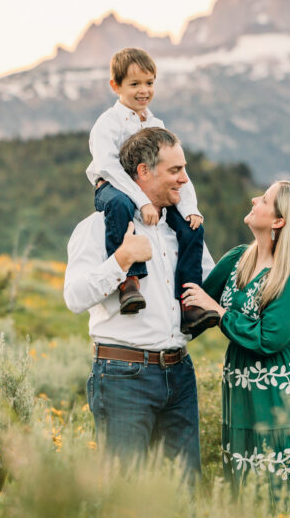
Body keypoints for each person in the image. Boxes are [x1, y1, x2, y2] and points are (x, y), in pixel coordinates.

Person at [65, 127, 215, 475]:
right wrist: (121, 260)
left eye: (184, 168)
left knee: (183, 494)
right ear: (144, 172)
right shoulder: (96, 227)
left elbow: (210, 285)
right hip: (123, 378)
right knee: (126, 498)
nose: (184, 179)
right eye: (175, 170)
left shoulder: (180, 231)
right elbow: (73, 298)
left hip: (180, 377)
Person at [181, 180, 290, 504]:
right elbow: (196, 307)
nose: (254, 199)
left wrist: (221, 313)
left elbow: (269, 338)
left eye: (264, 199)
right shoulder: (238, 259)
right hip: (243, 390)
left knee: (286, 482)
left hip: (285, 393)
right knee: (247, 475)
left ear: (279, 221)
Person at [85, 47, 217, 332]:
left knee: (192, 229)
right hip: (112, 186)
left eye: (149, 82)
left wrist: (190, 208)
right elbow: (109, 167)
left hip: (150, 192)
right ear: (116, 86)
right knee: (119, 207)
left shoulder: (156, 125)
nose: (143, 90)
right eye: (134, 84)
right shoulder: (107, 124)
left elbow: (177, 171)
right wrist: (143, 201)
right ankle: (129, 282)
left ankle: (189, 301)